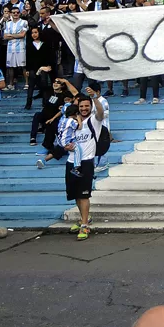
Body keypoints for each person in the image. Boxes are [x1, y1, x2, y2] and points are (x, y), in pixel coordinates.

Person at [62, 91, 105, 241]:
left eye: (87, 106)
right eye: (82, 106)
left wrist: (94, 98)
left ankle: (85, 225)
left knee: (84, 194)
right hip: (71, 162)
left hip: (86, 162)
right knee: (75, 194)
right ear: (78, 107)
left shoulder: (94, 120)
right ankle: (84, 219)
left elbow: (100, 112)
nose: (84, 108)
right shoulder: (72, 122)